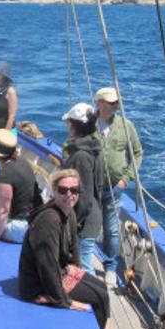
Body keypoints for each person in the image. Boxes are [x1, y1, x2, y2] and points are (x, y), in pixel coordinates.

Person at [18, 169, 132, 329]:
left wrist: (77, 269)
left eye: (74, 190)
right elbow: (46, 264)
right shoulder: (49, 220)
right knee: (97, 297)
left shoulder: (68, 212)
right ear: (54, 191)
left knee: (102, 289)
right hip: (38, 283)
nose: (69, 195)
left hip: (59, 270)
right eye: (63, 190)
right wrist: (63, 300)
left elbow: (74, 246)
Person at [95, 87, 144, 287]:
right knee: (84, 226)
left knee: (112, 230)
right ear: (99, 102)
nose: (116, 105)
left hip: (114, 187)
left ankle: (110, 268)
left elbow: (138, 153)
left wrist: (126, 179)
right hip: (90, 186)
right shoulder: (88, 123)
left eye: (116, 102)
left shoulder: (126, 126)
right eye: (111, 102)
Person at [61, 102, 104, 274]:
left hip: (84, 221)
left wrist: (74, 223)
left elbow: (83, 195)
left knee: (84, 265)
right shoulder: (94, 147)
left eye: (68, 121)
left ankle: (96, 297)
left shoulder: (80, 156)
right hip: (92, 214)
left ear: (73, 125)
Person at [0, 129, 42, 243]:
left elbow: (4, 210)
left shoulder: (5, 174)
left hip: (24, 229)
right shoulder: (23, 162)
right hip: (37, 222)